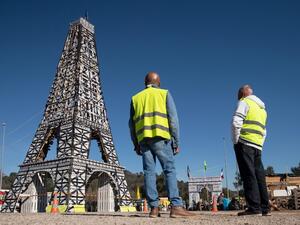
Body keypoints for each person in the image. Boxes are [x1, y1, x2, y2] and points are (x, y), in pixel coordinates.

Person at [129, 72, 194, 218]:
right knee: (169, 169)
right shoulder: (164, 93)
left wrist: (135, 143)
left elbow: (131, 125)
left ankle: (154, 208)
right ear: (158, 82)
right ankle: (176, 206)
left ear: (145, 82)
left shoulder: (136, 98)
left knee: (149, 172)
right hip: (161, 137)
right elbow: (173, 119)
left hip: (144, 139)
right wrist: (176, 141)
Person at [231, 84, 270, 216]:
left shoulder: (244, 102)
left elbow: (236, 122)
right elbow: (264, 131)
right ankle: (265, 207)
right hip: (257, 145)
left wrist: (236, 141)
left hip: (245, 143)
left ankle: (254, 207)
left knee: (248, 174)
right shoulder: (262, 109)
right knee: (259, 175)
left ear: (242, 94)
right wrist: (260, 144)